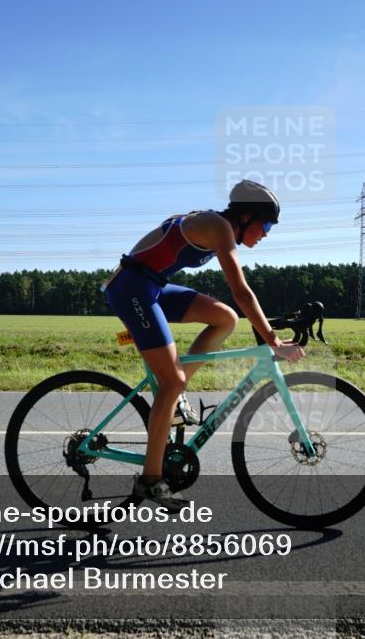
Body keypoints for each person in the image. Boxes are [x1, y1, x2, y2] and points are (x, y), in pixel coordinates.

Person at [102, 180, 305, 509]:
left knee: (225, 318)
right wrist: (273, 340)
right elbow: (241, 291)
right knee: (171, 381)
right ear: (246, 217)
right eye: (266, 225)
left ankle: (175, 391)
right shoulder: (219, 227)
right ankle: (150, 481)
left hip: (150, 286)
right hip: (132, 289)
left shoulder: (214, 223)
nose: (266, 233)